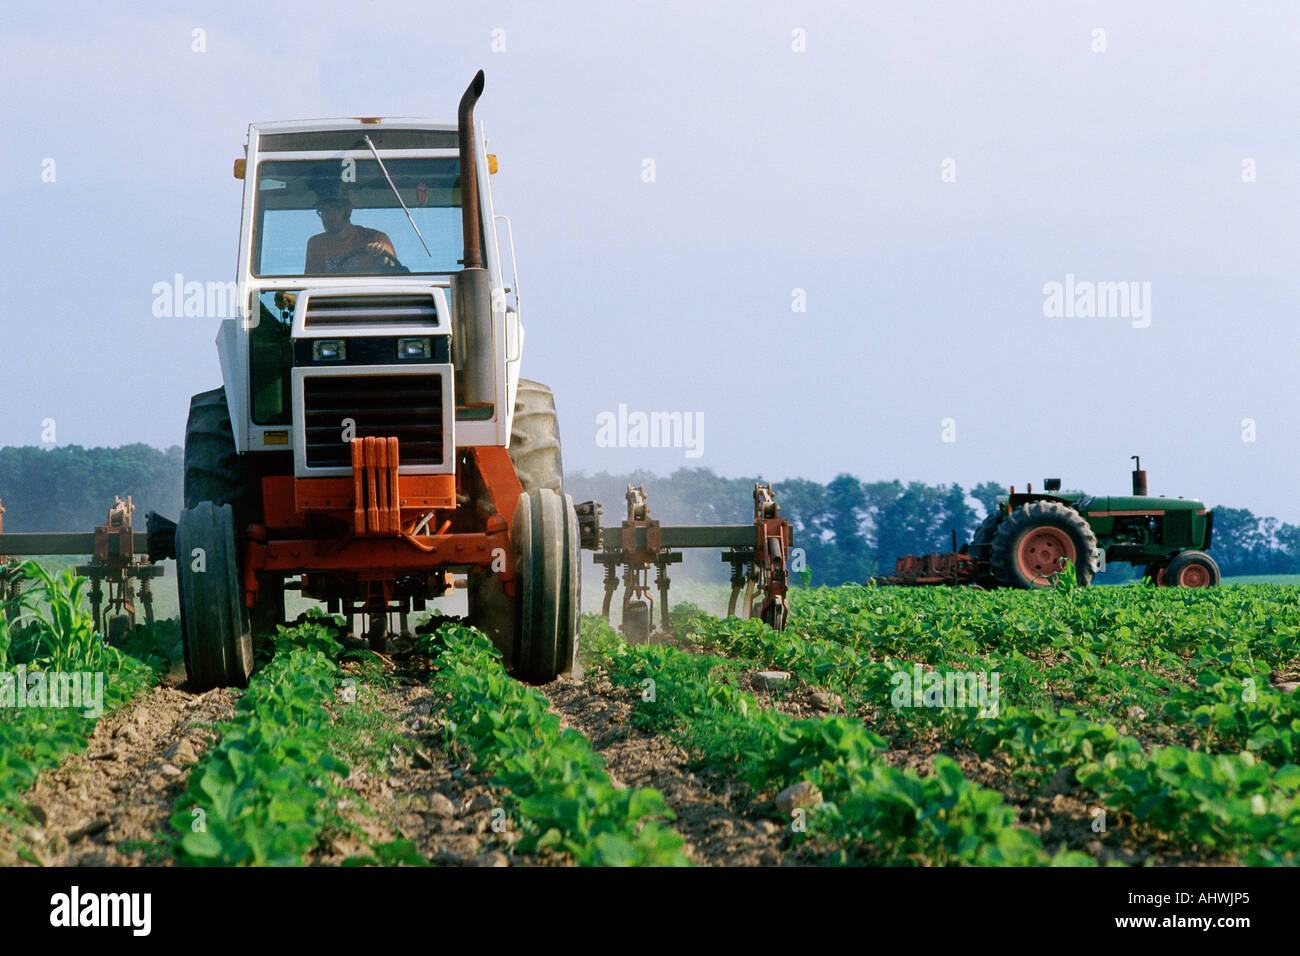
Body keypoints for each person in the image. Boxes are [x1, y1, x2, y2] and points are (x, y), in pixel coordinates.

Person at [304, 185, 402, 274]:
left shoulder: (376, 238)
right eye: (324, 210)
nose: (329, 215)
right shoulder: (316, 244)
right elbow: (311, 281)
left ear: (348, 210)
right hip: (333, 292)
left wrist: (382, 254)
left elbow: (394, 275)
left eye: (335, 208)